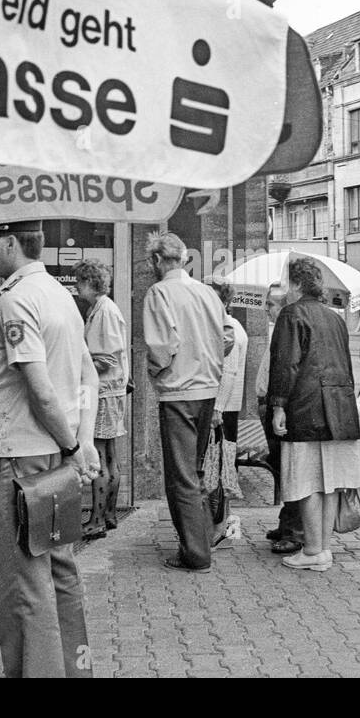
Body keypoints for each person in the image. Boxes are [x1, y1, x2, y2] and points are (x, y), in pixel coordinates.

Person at [0, 220, 99, 678]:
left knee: (21, 583)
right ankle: (74, 670)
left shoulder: (16, 298)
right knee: (59, 569)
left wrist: (74, 446)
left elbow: (40, 390)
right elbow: (88, 375)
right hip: (53, 456)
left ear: (10, 241)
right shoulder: (61, 295)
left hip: (19, 455)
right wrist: (81, 441)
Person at [143, 231, 233, 573]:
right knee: (192, 471)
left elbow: (161, 346)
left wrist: (158, 371)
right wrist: (207, 358)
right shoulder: (207, 293)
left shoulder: (159, 292)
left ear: (156, 260)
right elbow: (227, 337)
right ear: (183, 258)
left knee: (181, 476)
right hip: (207, 390)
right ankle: (199, 540)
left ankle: (195, 552)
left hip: (178, 391)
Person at [268, 258, 360, 572]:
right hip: (339, 407)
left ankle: (311, 549)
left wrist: (278, 406)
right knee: (330, 481)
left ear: (296, 284)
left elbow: (285, 364)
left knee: (307, 478)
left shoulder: (291, 314)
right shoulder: (335, 318)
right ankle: (323, 548)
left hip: (306, 406)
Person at [75, 259, 128, 541]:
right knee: (110, 455)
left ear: (89, 283)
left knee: (99, 457)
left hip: (105, 391)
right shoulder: (103, 308)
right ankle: (108, 515)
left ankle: (96, 519)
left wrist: (79, 370)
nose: (76, 286)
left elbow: (106, 358)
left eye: (79, 281)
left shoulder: (104, 311)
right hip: (113, 391)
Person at [259, 284, 302, 554]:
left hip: (279, 407)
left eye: (271, 304)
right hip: (268, 404)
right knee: (280, 467)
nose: (266, 309)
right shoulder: (275, 331)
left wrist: (278, 407)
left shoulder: (286, 332)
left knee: (288, 469)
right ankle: (286, 522)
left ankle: (293, 530)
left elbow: (285, 372)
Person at [210, 280, 249, 544]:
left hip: (223, 409)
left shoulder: (229, 327)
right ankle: (221, 523)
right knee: (220, 466)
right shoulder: (229, 325)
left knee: (219, 468)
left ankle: (220, 526)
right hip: (225, 407)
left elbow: (229, 371)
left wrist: (217, 408)